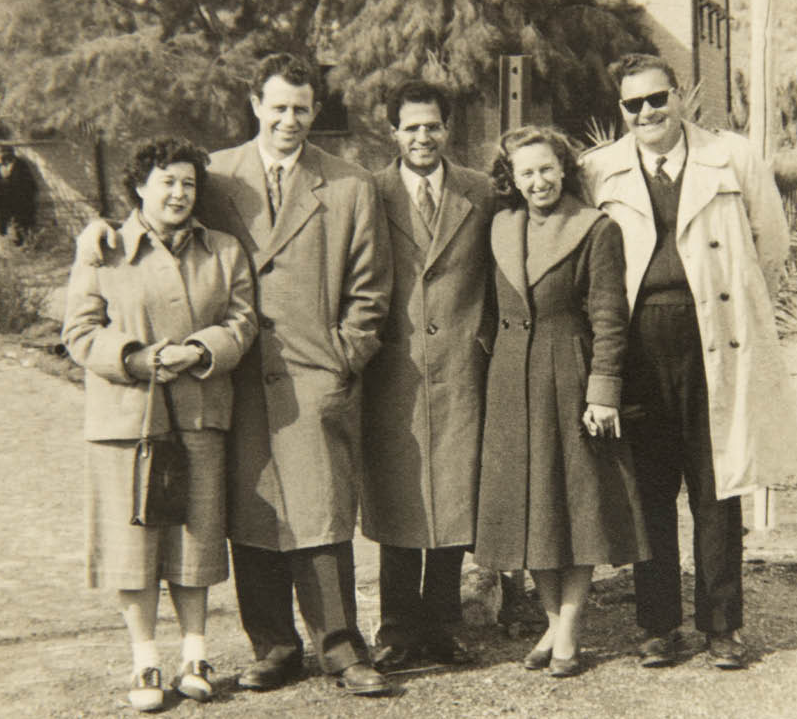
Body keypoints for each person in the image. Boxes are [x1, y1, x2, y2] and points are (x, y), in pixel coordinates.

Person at [77, 54, 393, 697]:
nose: (289, 120)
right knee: (252, 513)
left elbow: (370, 290)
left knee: (322, 512)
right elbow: (152, 210)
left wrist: (344, 357)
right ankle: (274, 648)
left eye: (301, 108)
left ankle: (341, 648)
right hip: (230, 374)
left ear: (316, 110)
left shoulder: (350, 184)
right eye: (278, 107)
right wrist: (97, 231)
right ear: (255, 105)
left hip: (313, 372)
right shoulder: (215, 175)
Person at [579, 53, 797, 670]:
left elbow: (770, 246)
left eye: (658, 98)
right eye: (634, 104)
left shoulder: (731, 157)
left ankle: (722, 627)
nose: (647, 113)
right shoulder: (598, 170)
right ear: (621, 110)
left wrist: (729, 315)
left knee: (717, 490)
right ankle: (658, 626)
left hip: (715, 341)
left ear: (679, 95)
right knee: (649, 493)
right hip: (637, 349)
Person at [61, 137, 258, 711]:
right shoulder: (105, 249)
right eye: (166, 181)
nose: (178, 193)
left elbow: (243, 320)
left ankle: (195, 654)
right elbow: (80, 330)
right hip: (126, 419)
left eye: (188, 183)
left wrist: (200, 350)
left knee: (195, 538)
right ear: (139, 186)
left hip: (198, 411)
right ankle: (144, 660)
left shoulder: (223, 250)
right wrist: (136, 358)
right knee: (134, 545)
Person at [475, 125, 648, 678]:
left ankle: (568, 629)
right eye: (525, 172)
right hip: (510, 380)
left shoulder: (596, 228)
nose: (538, 181)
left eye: (547, 169)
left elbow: (610, 316)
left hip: (570, 375)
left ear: (564, 168)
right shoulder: (500, 226)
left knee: (576, 507)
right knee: (532, 508)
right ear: (511, 178)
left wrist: (603, 391)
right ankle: (553, 623)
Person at [360, 80, 495, 671]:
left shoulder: (480, 191)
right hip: (395, 371)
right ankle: (395, 630)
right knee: (398, 498)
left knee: (454, 498)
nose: (423, 137)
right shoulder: (369, 192)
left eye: (433, 126)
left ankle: (442, 626)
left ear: (448, 129)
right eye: (411, 127)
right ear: (393, 131)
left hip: (462, 368)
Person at [0, 146, 38, 246]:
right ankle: (8, 244)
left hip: (19, 201)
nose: (4, 155)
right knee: (4, 223)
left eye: (6, 152)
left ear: (12, 154)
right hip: (4, 202)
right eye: (2, 153)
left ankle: (24, 244)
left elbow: (30, 184)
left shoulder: (20, 165)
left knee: (21, 224)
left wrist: (24, 198)